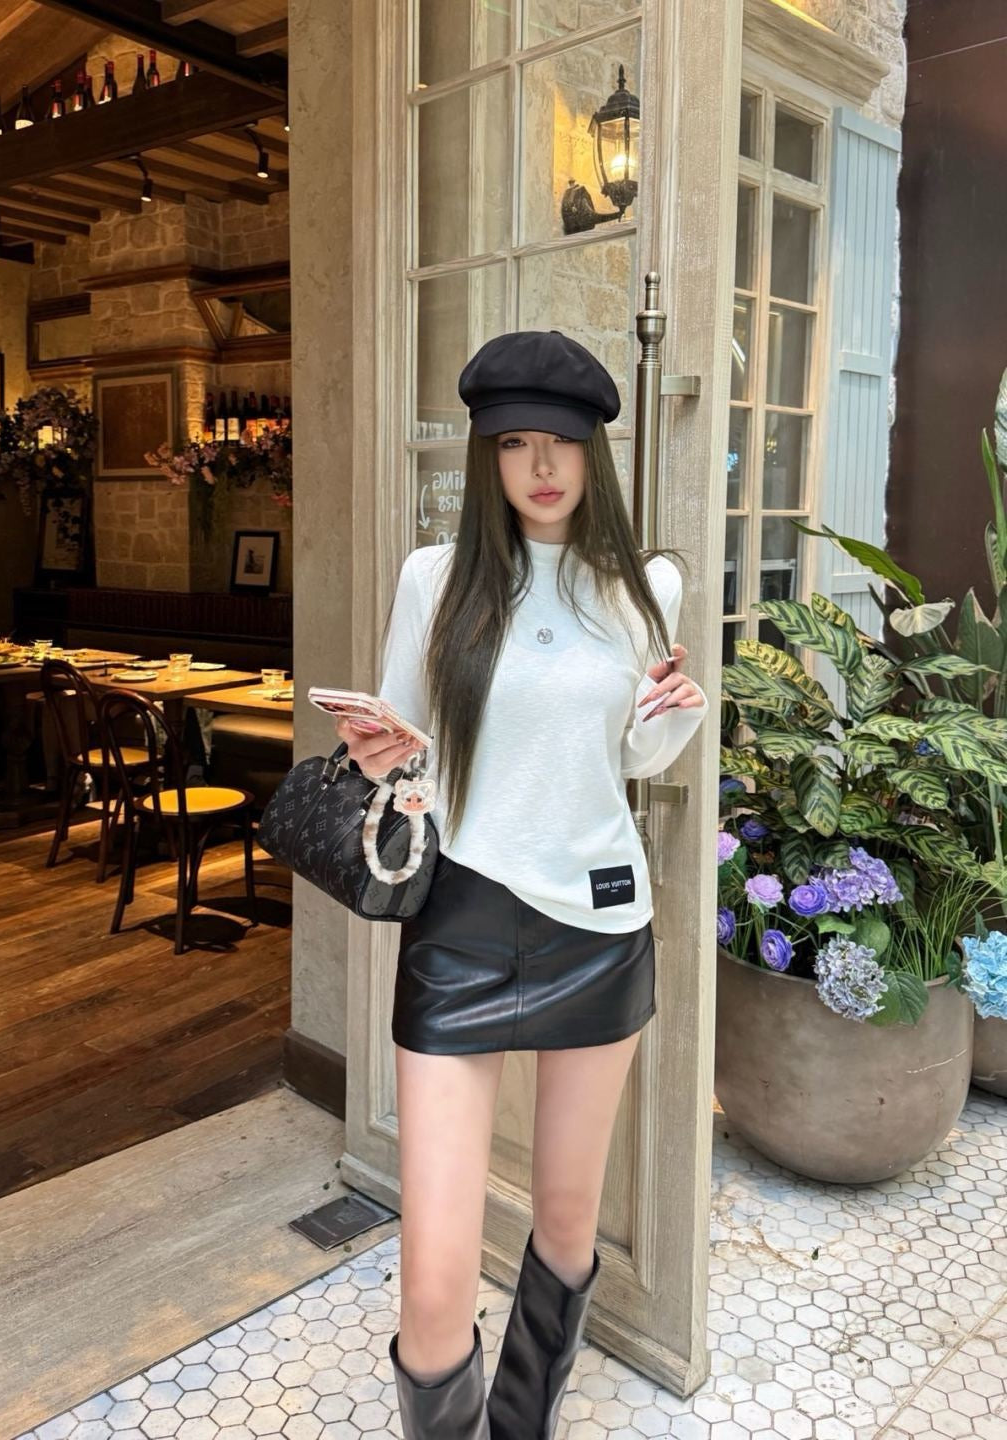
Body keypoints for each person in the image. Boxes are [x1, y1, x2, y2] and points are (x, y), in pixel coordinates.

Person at [335, 329, 709, 1439]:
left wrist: (672, 725)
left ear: (596, 451)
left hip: (598, 925)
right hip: (459, 920)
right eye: (514, 443)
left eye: (562, 442)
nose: (541, 465)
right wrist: (380, 753)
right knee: (433, 1285)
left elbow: (634, 758)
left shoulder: (647, 585)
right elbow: (409, 747)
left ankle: (522, 1424)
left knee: (565, 1221)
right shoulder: (434, 578)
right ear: (486, 454)